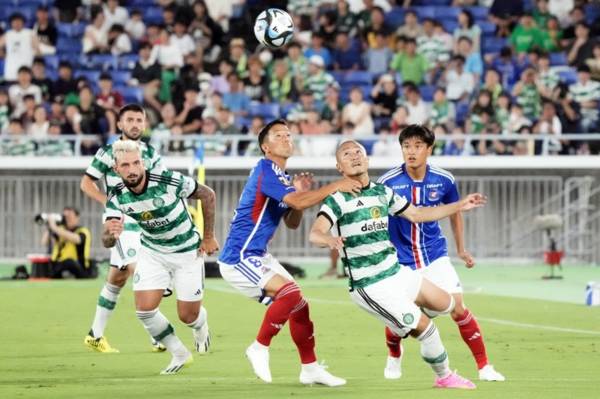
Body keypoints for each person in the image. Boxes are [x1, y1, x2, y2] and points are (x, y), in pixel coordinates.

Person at [309, 139, 485, 389]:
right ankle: (444, 376)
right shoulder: (337, 200)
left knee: (447, 304)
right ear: (340, 167)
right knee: (428, 329)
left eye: (358, 151)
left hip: (396, 273)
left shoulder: (382, 192)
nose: (354, 156)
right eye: (347, 154)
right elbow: (314, 233)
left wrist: (459, 205)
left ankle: (399, 327)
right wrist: (328, 239)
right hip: (369, 284)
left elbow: (417, 214)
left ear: (367, 159)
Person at [217, 119, 363, 386]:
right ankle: (259, 347)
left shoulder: (281, 176)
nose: (286, 138)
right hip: (239, 256)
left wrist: (300, 195)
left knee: (300, 306)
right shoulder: (265, 169)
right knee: (291, 293)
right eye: (278, 135)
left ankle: (310, 368)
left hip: (258, 254)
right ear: (265, 146)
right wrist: (333, 186)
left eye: (288, 134)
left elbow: (292, 222)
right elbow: (295, 201)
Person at [377, 124, 506, 382]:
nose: (411, 152)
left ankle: (484, 367)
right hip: (401, 261)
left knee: (458, 308)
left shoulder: (444, 179)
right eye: (406, 146)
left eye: (417, 146)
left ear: (429, 149)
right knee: (402, 319)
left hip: (434, 254)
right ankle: (394, 353)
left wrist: (461, 249)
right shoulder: (387, 182)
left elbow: (455, 211)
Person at [102, 139, 218, 374]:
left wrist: (208, 237)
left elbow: (208, 195)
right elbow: (106, 239)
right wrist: (110, 234)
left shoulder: (167, 180)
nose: (132, 169)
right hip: (153, 253)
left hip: (187, 252)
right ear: (116, 169)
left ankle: (200, 324)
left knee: (188, 316)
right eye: (125, 165)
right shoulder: (116, 195)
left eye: (136, 163)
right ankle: (180, 354)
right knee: (144, 310)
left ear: (143, 163)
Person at [80, 104, 164, 353]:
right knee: (140, 271)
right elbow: (86, 183)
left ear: (145, 124)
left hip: (145, 222)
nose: (135, 124)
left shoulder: (152, 153)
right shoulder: (107, 152)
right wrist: (109, 203)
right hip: (120, 225)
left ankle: (95, 334)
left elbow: (160, 186)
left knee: (117, 278)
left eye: (139, 119)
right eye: (130, 119)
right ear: (120, 124)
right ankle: (157, 335)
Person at [41, 207, 93, 279]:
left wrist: (55, 227)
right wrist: (49, 226)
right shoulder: (60, 229)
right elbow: (44, 242)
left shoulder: (83, 231)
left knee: (69, 262)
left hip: (80, 266)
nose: (67, 219)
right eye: (65, 217)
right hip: (59, 264)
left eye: (70, 216)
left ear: (77, 217)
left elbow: (76, 239)